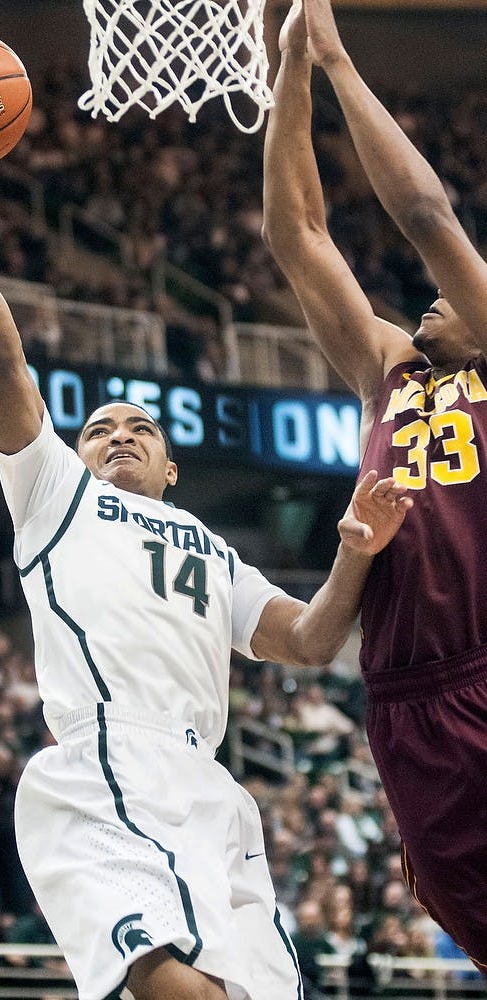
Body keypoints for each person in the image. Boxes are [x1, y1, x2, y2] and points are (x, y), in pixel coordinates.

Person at [0, 82, 412, 1000]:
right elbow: (1, 356)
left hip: (211, 790)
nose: (119, 433)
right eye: (100, 428)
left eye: (141, 428)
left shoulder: (210, 546)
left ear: (172, 468)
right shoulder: (53, 494)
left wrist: (357, 552)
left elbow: (317, 640)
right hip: (105, 760)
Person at [262, 0, 487, 971]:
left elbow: (428, 215)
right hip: (404, 694)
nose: (430, 296)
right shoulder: (389, 372)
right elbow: (298, 233)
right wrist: (289, 75)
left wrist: (340, 58)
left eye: (451, 294)